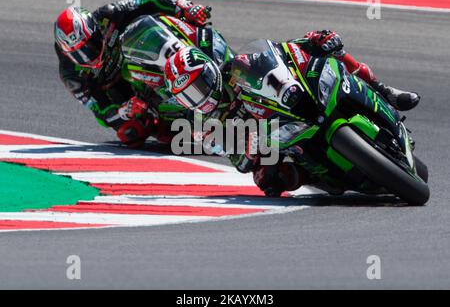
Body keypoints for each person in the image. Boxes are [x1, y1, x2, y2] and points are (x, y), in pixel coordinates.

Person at [164, 30, 422, 196]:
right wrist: (250, 151)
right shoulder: (211, 124)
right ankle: (332, 177)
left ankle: (385, 91)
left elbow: (279, 52)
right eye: (190, 96)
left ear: (210, 71)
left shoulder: (236, 67)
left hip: (294, 101)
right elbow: (240, 163)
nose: (200, 95)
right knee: (268, 180)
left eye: (199, 86)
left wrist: (310, 41)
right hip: (283, 138)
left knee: (329, 50)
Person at [54, 0, 211, 147]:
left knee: (178, 18)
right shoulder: (71, 74)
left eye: (91, 44)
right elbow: (100, 113)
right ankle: (174, 121)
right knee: (129, 132)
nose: (88, 55)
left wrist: (182, 6)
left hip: (143, 53)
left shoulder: (108, 16)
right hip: (126, 93)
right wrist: (124, 111)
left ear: (95, 29)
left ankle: (204, 51)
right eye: (78, 53)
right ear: (67, 53)